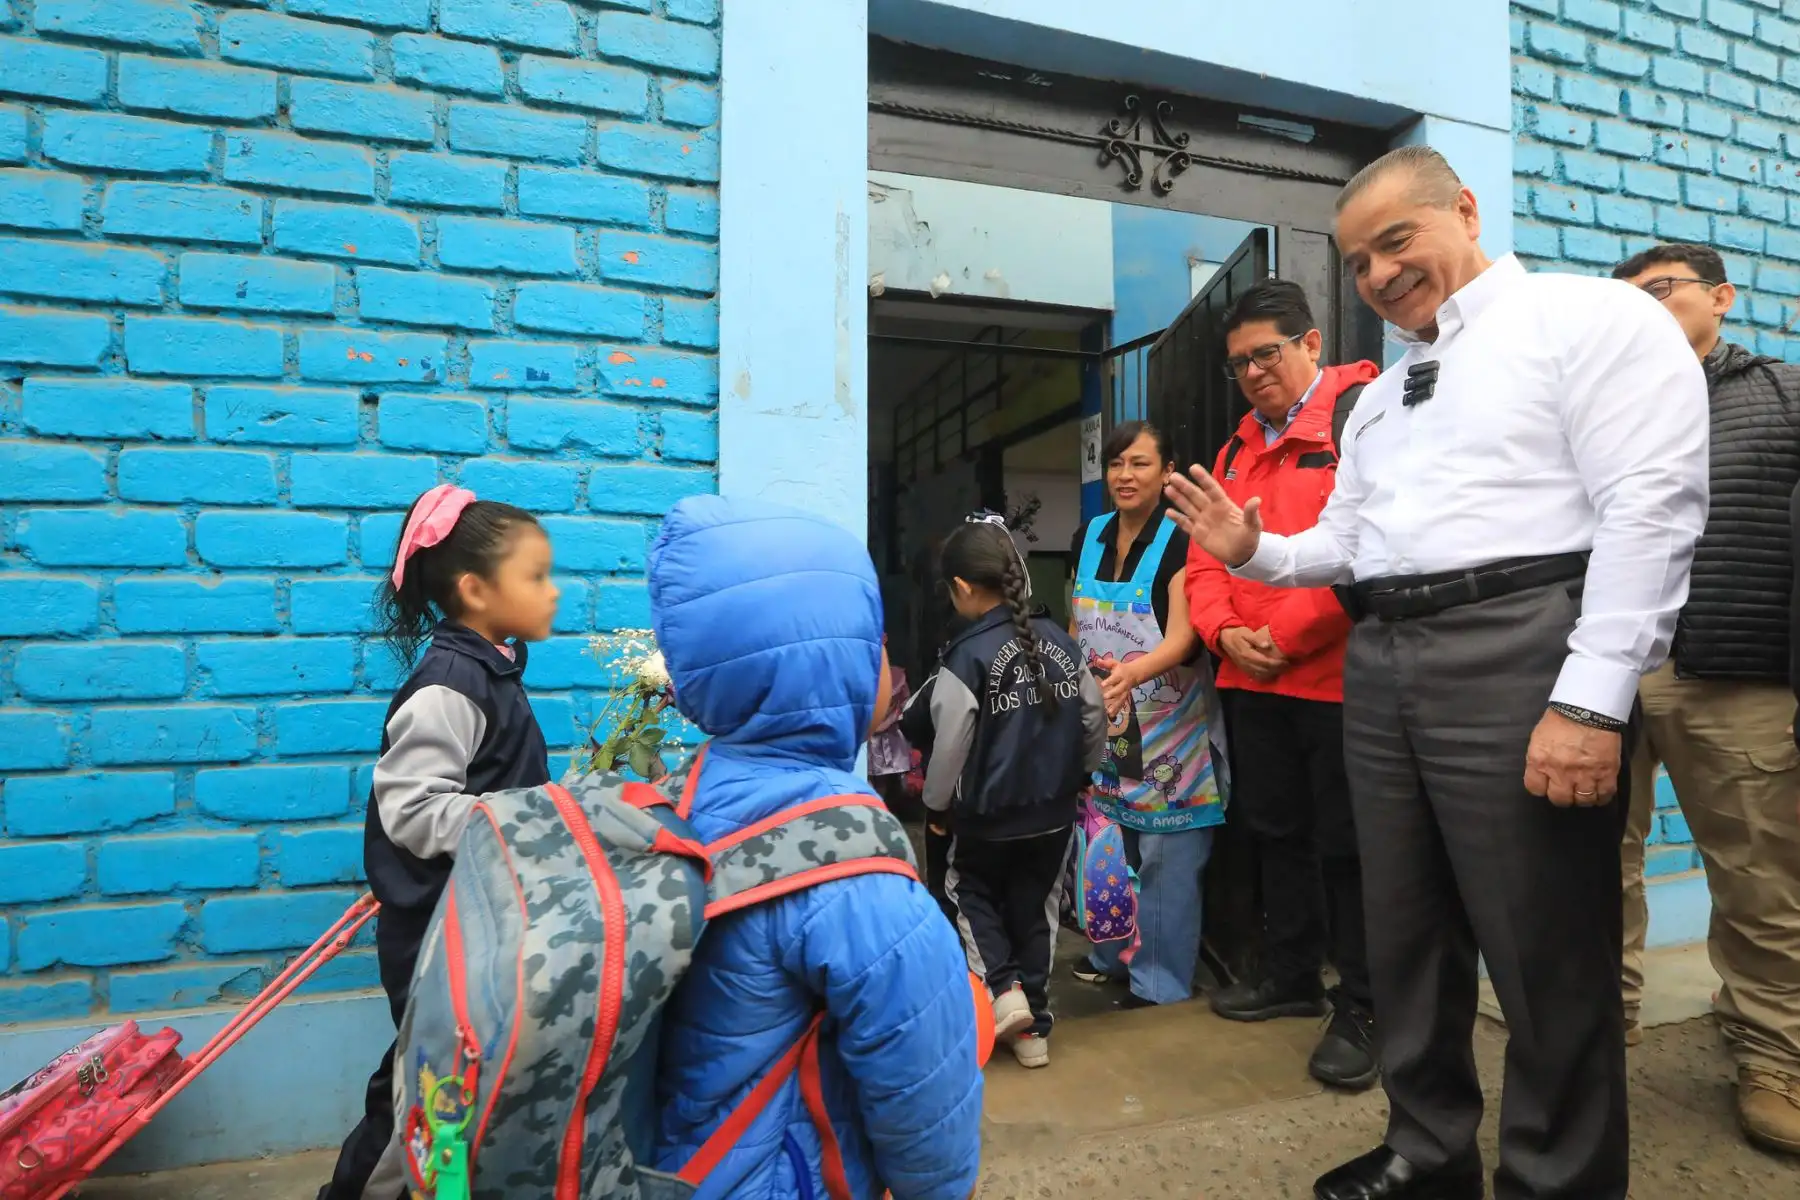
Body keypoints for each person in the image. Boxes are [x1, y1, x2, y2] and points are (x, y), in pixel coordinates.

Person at [1165, 145, 1708, 1200]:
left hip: (1521, 642)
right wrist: (1256, 552)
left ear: (1464, 208)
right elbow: (1355, 542)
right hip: (1385, 658)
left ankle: (1560, 1177)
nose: (1377, 274)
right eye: (1358, 259)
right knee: (1405, 926)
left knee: (1545, 946)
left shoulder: (1586, 321)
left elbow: (1652, 512)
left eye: (1395, 240)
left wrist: (1591, 701)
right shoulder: (1386, 395)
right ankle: (1427, 1146)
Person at [646, 495, 984, 1198]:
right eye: (875, 642)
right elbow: (925, 1100)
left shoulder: (676, 798)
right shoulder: (855, 873)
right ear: (833, 666)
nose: (888, 664)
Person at [1611, 243, 1800, 1152]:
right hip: (1604, 669)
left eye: (1662, 292)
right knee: (1590, 864)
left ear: (1720, 298)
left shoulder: (1783, 394)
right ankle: (1599, 1032)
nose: (1642, 310)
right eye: (1627, 301)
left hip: (1734, 672)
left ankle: (1773, 1055)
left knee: (1760, 873)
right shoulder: (1597, 412)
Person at [318, 484, 559, 1200]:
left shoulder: (489, 671)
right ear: (475, 589)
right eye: (536, 576)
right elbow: (415, 809)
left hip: (473, 921)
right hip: (438, 931)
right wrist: (528, 822)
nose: (552, 593)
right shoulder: (450, 683)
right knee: (429, 1084)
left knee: (436, 1074)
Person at [1186, 279, 1381, 1090]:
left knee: (1351, 850)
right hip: (1252, 682)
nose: (1254, 372)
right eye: (1240, 363)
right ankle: (1294, 977)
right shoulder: (1233, 451)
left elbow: (1373, 549)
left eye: (1267, 352)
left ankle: (1366, 1004)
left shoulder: (1362, 420)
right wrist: (1224, 632)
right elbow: (1205, 558)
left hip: (1339, 684)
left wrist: (1286, 635)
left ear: (1311, 345)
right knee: (1275, 835)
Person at [922, 514, 1107, 1068]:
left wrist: (935, 807)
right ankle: (1034, 1033)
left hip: (986, 817)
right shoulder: (1059, 642)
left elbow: (950, 744)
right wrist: (1081, 774)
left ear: (960, 587)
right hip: (1053, 813)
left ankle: (1004, 992)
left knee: (968, 894)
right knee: (1035, 910)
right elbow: (1094, 718)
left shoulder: (965, 658)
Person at [1065, 421, 1227, 1009]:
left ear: (1166, 471)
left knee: (1165, 859)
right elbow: (1076, 623)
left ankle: (1158, 982)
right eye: (1115, 465)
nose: (1125, 476)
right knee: (1107, 843)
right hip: (1104, 717)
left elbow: (1184, 638)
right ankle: (1109, 954)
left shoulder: (1183, 539)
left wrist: (1132, 673)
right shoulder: (1090, 535)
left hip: (1170, 726)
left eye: (1139, 464)